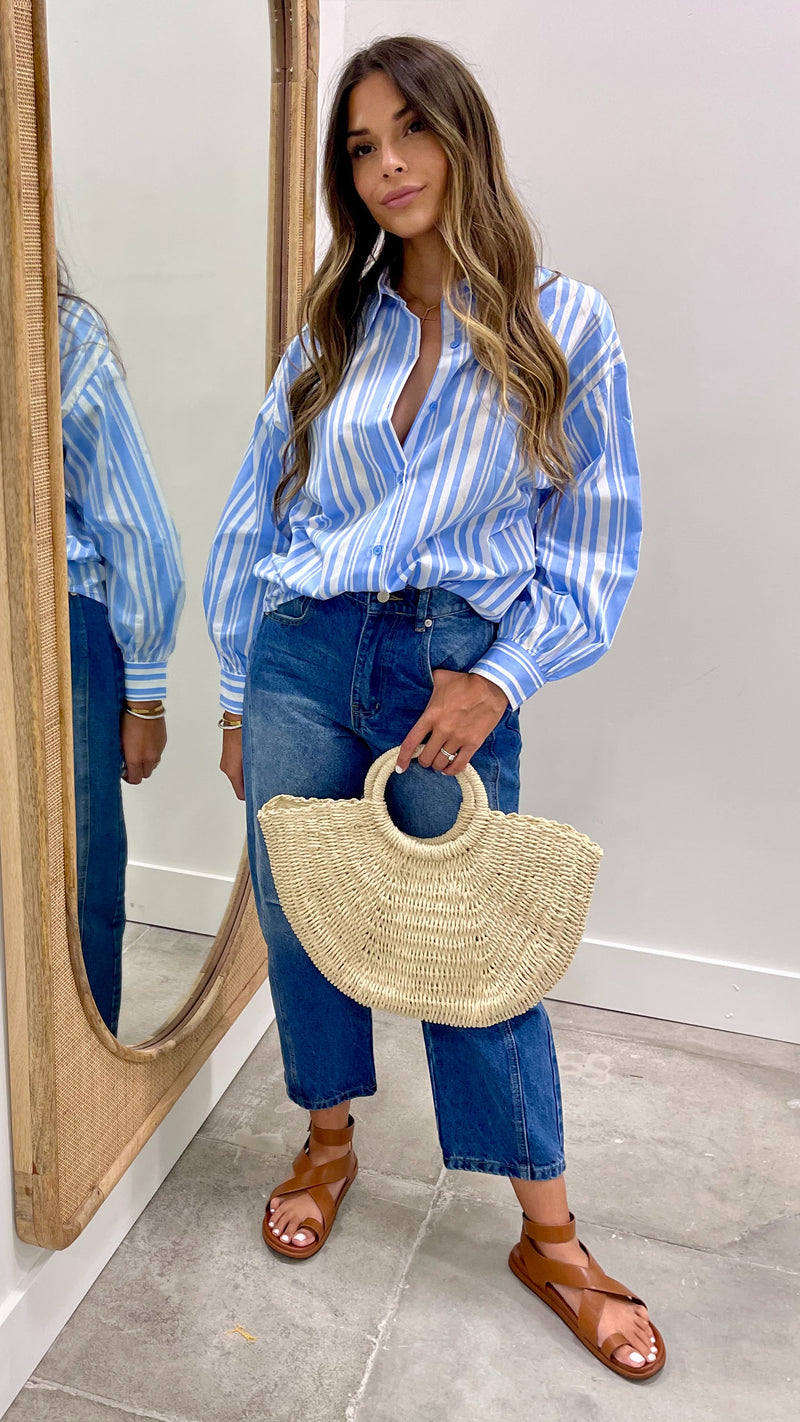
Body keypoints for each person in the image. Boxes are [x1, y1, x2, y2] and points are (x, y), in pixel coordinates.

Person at [204, 36, 662, 1380]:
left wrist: (498, 676)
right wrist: (232, 693)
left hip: (448, 665)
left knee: (478, 945)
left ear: (464, 137)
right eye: (361, 146)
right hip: (300, 651)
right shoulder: (333, 326)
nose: (389, 165)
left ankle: (549, 1235)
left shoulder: (564, 322)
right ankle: (327, 1140)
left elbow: (596, 541)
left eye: (411, 130)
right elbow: (259, 509)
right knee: (301, 918)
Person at [59, 259, 185, 1035]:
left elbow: (134, 523)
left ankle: (83, 1067)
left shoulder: (58, 332)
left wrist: (144, 694)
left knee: (80, 871)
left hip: (58, 622)